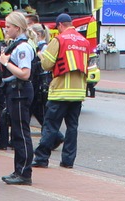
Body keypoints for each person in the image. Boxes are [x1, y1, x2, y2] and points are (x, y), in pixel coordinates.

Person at [33, 12, 90, 170]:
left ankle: (42, 158)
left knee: (51, 125)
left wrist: (40, 55)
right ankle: (68, 161)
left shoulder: (59, 40)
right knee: (72, 127)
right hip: (78, 92)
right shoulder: (84, 42)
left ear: (59, 26)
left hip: (60, 91)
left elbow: (47, 65)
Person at [0, 10, 35, 185]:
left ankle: (24, 172)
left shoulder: (23, 48)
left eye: (8, 27)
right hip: (13, 91)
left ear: (17, 27)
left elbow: (25, 73)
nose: (6, 30)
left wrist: (6, 63)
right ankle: (18, 170)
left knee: (21, 132)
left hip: (20, 91)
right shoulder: (16, 45)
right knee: (17, 132)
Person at [28, 22, 51, 128]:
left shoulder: (44, 47)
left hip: (41, 82)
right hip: (36, 81)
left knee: (39, 110)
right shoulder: (37, 46)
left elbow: (46, 64)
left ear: (38, 34)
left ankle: (53, 136)